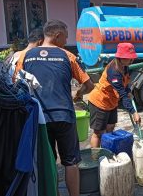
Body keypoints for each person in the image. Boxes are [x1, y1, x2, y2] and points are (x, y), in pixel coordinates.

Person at [15, 20, 94, 196]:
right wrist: (78, 94)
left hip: (40, 118)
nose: (66, 41)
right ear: (57, 36)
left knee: (48, 162)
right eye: (65, 37)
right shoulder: (68, 56)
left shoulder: (25, 56)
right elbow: (89, 85)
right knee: (71, 162)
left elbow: (16, 84)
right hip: (64, 115)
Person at [87, 42, 141, 148]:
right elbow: (122, 95)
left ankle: (107, 150)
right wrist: (134, 112)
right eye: (129, 58)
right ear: (120, 57)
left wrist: (129, 90)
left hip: (111, 102)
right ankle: (96, 158)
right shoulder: (114, 71)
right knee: (98, 133)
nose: (131, 60)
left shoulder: (125, 67)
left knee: (110, 128)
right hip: (100, 102)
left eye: (132, 58)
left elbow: (125, 85)